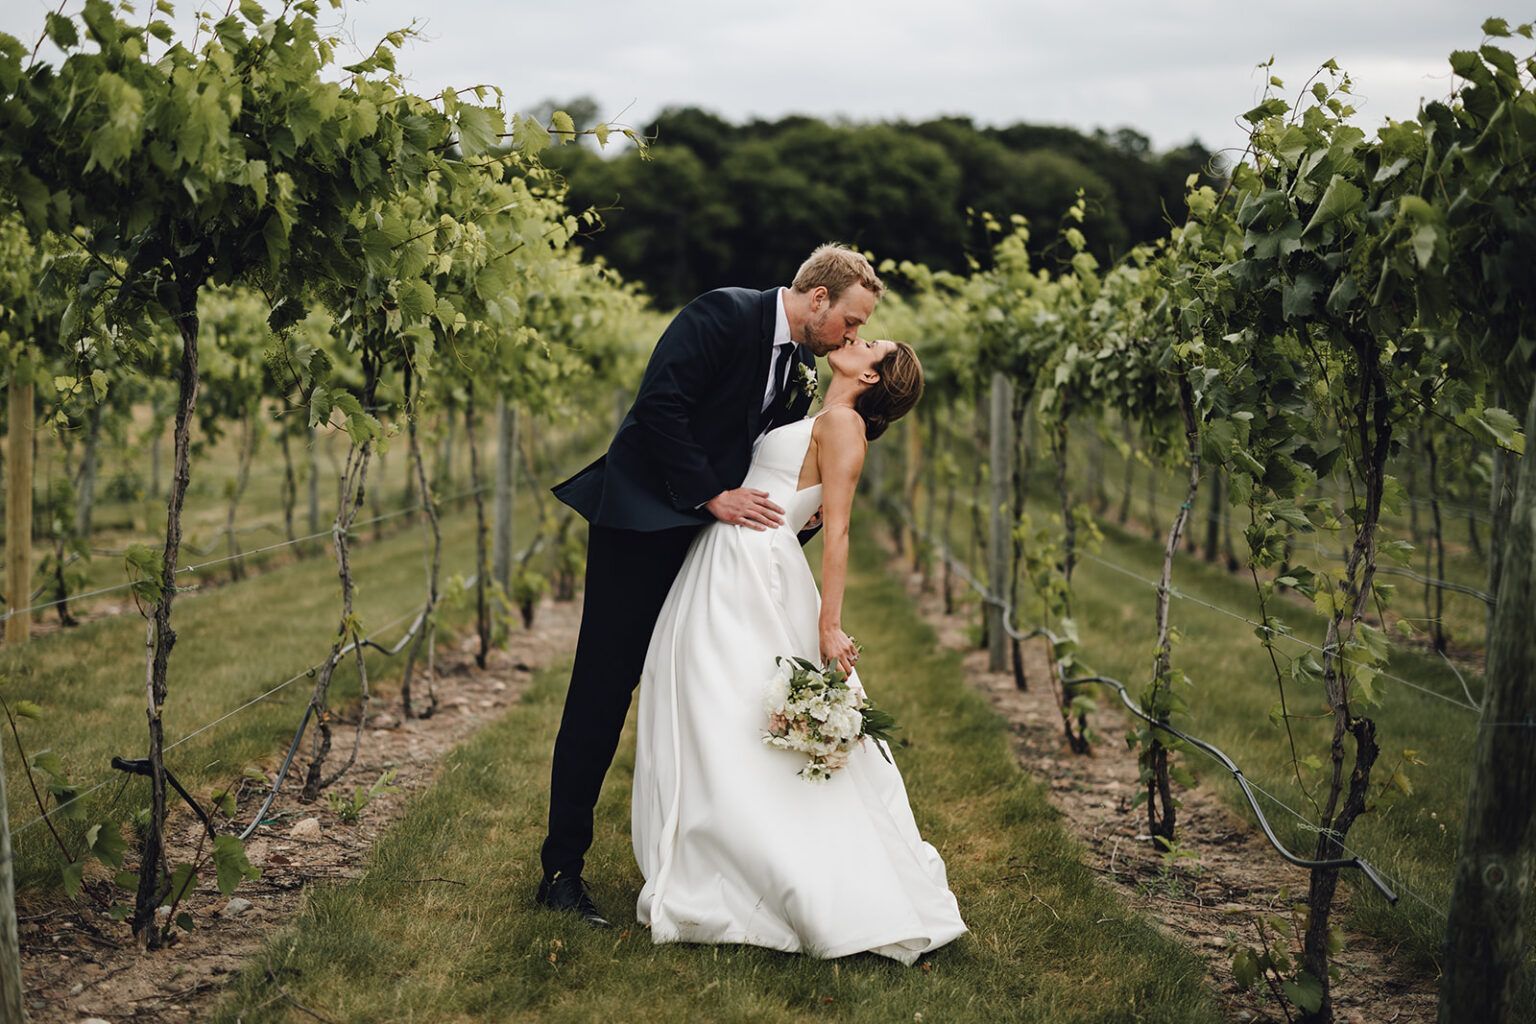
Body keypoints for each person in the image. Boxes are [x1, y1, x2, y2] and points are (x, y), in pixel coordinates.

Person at [539, 244, 883, 926]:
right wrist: (711, 497)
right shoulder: (722, 314)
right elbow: (659, 409)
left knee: (710, 699)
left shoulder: (801, 370)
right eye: (850, 321)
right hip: (639, 530)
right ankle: (560, 872)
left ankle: (714, 858)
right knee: (603, 694)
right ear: (817, 300)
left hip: (711, 553)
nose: (850, 336)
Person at [631, 337, 968, 964]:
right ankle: (717, 844)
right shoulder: (816, 411)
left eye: (869, 342)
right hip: (729, 551)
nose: (855, 339)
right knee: (712, 701)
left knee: (726, 703)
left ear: (870, 374)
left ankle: (758, 862)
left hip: (756, 566)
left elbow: (836, 527)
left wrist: (829, 625)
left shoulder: (843, 424)